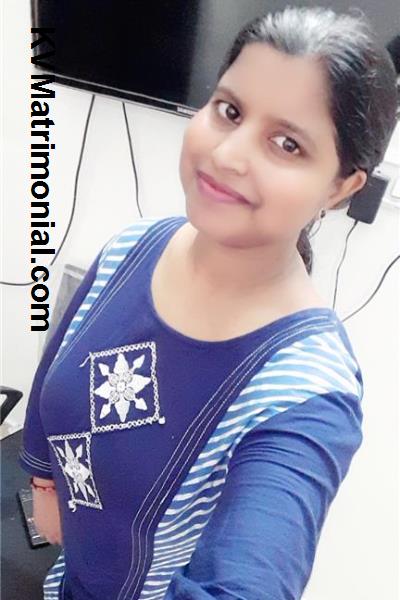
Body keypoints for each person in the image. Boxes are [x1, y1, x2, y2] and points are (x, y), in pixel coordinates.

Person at [19, 6, 397, 600]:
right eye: (230, 111)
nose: (227, 155)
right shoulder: (130, 249)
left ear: (342, 186)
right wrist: (44, 483)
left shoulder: (307, 392)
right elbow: (54, 379)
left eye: (287, 143)